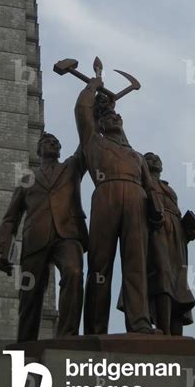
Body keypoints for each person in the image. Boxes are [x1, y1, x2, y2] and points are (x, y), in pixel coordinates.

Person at [75, 78, 154, 334]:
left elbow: (150, 186)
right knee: (100, 265)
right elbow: (81, 111)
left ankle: (139, 321)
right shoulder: (93, 142)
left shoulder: (137, 156)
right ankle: (96, 328)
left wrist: (157, 208)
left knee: (136, 263)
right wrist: (93, 86)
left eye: (117, 117)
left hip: (137, 199)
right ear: (99, 123)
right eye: (107, 118)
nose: (114, 119)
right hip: (106, 194)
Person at [0, 133, 88, 342]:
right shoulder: (27, 179)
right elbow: (11, 217)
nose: (53, 143)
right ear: (38, 150)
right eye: (48, 142)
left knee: (74, 273)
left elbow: (87, 137)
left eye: (56, 142)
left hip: (67, 235)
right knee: (30, 294)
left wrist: (95, 112)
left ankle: (67, 336)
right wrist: (3, 249)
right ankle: (25, 344)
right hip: (35, 239)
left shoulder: (71, 167)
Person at [145, 152, 195, 335]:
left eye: (157, 158)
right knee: (162, 276)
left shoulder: (168, 188)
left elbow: (176, 213)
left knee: (179, 283)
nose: (154, 160)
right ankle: (163, 329)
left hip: (176, 237)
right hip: (156, 231)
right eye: (149, 158)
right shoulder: (141, 183)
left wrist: (188, 230)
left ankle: (176, 332)